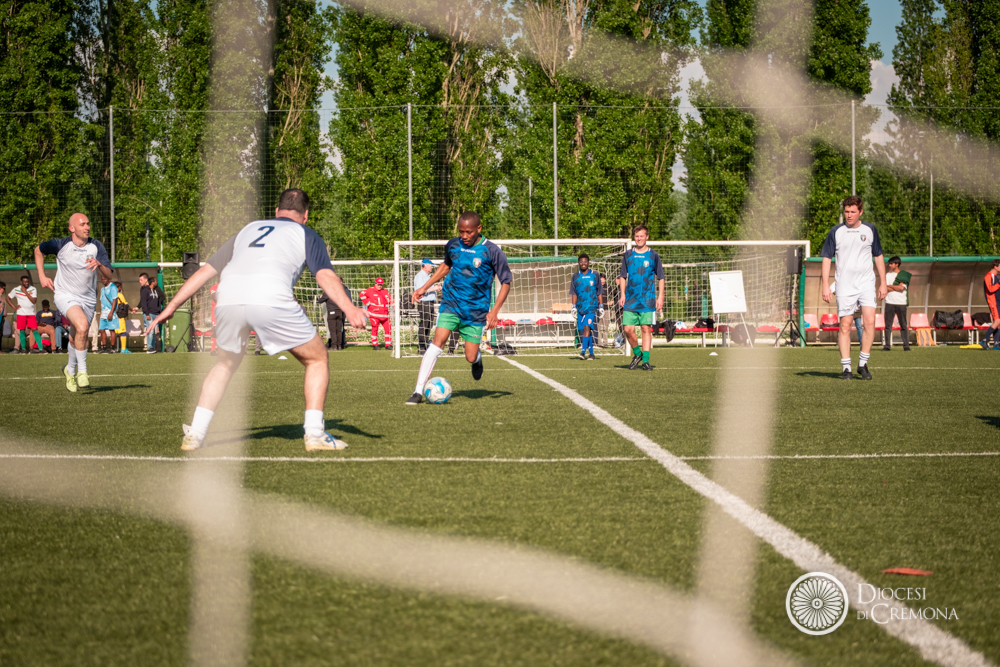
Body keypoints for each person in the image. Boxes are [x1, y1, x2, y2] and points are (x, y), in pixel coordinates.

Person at [147, 188, 366, 451]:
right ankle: (315, 434)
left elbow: (206, 271)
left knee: (225, 365)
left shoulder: (248, 229)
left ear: (276, 211)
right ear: (306, 215)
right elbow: (325, 275)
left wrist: (172, 306)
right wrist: (350, 308)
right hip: (270, 296)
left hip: (227, 298)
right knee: (317, 359)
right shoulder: (306, 233)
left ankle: (196, 433)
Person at [406, 212, 512, 405]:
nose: (464, 236)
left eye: (468, 232)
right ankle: (418, 391)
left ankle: (477, 360)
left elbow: (506, 282)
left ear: (479, 229)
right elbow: (446, 265)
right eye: (461, 231)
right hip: (451, 303)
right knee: (438, 342)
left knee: (470, 356)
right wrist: (425, 287)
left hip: (476, 311)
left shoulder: (492, 251)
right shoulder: (453, 244)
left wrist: (495, 311)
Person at [35, 213, 114, 391]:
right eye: (82, 224)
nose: (87, 227)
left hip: (88, 299)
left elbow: (108, 275)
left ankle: (69, 370)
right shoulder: (60, 244)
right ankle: (83, 372)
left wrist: (99, 264)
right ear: (72, 228)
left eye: (88, 224)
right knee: (83, 326)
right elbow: (38, 250)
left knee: (76, 336)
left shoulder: (96, 246)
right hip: (65, 295)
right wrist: (42, 276)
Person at [821, 196, 888, 380]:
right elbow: (826, 258)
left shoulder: (870, 230)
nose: (849, 215)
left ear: (861, 212)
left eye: (853, 212)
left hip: (866, 283)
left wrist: (883, 282)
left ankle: (863, 364)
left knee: (870, 322)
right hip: (844, 286)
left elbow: (878, 256)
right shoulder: (836, 231)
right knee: (845, 325)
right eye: (846, 212)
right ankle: (846, 368)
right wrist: (826, 285)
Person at [618, 225, 664, 371]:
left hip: (648, 299)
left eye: (641, 236)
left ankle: (645, 361)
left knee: (645, 328)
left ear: (647, 237)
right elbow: (623, 276)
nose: (639, 239)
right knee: (628, 329)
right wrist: (622, 294)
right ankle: (637, 354)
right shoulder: (628, 254)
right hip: (631, 299)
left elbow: (661, 277)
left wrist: (660, 297)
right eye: (637, 236)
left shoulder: (653, 255)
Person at [569, 253, 604, 360]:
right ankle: (591, 353)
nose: (583, 263)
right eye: (581, 261)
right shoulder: (575, 276)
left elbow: (599, 291)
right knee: (585, 330)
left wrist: (601, 306)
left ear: (588, 263)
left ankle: (583, 352)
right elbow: (574, 293)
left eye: (585, 261)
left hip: (591, 306)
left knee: (586, 327)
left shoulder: (595, 275)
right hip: (580, 307)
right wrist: (573, 307)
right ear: (578, 263)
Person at [7, 275, 43, 354]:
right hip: (21, 314)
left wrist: (25, 292)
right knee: (22, 331)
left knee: (35, 330)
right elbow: (8, 298)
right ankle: (23, 349)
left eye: (27, 282)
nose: (26, 283)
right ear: (21, 282)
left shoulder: (33, 289)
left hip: (31, 314)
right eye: (25, 282)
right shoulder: (16, 289)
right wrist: (14, 307)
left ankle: (41, 349)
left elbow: (34, 301)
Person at [413, 258, 442, 354]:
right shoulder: (419, 276)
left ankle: (425, 345)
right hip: (424, 303)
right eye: (431, 266)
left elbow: (428, 289)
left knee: (429, 325)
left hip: (430, 303)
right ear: (425, 266)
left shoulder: (428, 277)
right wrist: (434, 288)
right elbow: (420, 291)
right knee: (424, 324)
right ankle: (421, 346)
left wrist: (436, 288)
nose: (432, 267)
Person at [883, 256, 911, 352]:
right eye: (889, 263)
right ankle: (887, 346)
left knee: (903, 325)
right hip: (889, 302)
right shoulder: (887, 275)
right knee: (888, 326)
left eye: (891, 263)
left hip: (901, 303)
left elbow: (902, 288)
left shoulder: (903, 275)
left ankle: (906, 346)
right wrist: (896, 287)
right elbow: (885, 288)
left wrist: (890, 286)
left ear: (897, 264)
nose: (889, 265)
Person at [134, 272, 164, 353]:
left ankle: (152, 348)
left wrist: (158, 309)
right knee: (150, 331)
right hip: (149, 313)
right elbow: (143, 302)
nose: (140, 282)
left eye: (141, 280)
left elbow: (162, 297)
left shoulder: (156, 289)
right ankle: (149, 347)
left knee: (154, 332)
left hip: (156, 313)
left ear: (146, 280)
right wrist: (145, 312)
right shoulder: (144, 290)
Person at [360, 277, 393, 350]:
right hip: (374, 315)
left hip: (385, 315)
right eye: (378, 284)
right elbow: (361, 294)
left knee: (388, 329)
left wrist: (395, 306)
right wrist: (367, 302)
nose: (380, 286)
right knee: (375, 329)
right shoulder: (370, 290)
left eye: (381, 284)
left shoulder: (385, 291)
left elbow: (390, 300)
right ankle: (375, 344)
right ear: (375, 284)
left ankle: (388, 344)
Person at [317, 283, 351, 350]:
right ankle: (339, 346)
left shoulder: (328, 292)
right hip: (340, 312)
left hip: (332, 312)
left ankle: (334, 346)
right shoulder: (340, 293)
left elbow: (320, 301)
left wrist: (320, 297)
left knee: (333, 330)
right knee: (339, 330)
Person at [981, 259, 1000, 350]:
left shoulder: (996, 276)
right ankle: (984, 340)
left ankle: (996, 344)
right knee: (997, 322)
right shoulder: (988, 276)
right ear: (995, 267)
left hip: (998, 302)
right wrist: (999, 284)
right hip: (993, 302)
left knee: (998, 323)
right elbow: (990, 289)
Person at [98, 274, 119, 353]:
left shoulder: (113, 287)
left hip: (111, 313)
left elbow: (114, 300)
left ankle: (112, 348)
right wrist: (100, 314)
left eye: (104, 279)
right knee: (101, 330)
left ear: (108, 279)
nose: (103, 281)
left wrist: (111, 312)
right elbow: (102, 302)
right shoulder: (102, 289)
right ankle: (104, 347)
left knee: (111, 330)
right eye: (102, 279)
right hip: (103, 313)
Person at [112, 282, 131, 353]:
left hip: (112, 316)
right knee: (123, 332)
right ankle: (123, 349)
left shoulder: (110, 295)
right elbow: (125, 304)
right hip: (119, 316)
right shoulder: (119, 295)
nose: (121, 288)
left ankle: (112, 348)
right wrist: (132, 309)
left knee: (113, 332)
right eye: (120, 287)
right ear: (118, 287)